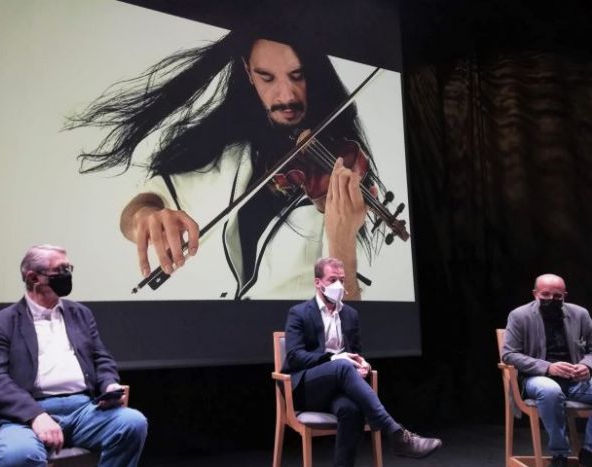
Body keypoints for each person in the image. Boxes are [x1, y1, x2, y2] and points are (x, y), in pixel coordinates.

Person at [69, 30, 399, 300]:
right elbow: (143, 204)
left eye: (297, 76)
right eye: (267, 78)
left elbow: (349, 323)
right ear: (248, 75)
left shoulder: (344, 171)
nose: (285, 95)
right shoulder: (235, 152)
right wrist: (147, 218)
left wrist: (341, 243)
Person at [0, 244, 148, 467]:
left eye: (69, 268)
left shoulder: (80, 314)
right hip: (27, 416)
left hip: (84, 411)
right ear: (33, 277)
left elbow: (101, 358)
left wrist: (109, 385)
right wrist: (35, 415)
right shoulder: (3, 323)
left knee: (132, 423)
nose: (67, 275)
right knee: (17, 456)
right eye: (60, 270)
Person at [282, 257, 442, 466]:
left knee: (352, 410)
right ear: (317, 282)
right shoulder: (299, 313)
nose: (338, 285)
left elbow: (355, 352)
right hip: (308, 389)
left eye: (342, 280)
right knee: (341, 365)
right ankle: (396, 433)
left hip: (338, 388)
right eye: (332, 280)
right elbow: (294, 357)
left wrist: (362, 364)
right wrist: (333, 357)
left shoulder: (350, 315)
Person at [503, 273, 592, 467]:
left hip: (574, 378)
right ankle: (559, 453)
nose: (551, 299)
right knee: (550, 390)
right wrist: (548, 367)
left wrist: (586, 365)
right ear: (535, 294)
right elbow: (509, 354)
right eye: (545, 295)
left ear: (565, 295)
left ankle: (589, 450)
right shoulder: (519, 315)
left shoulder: (580, 314)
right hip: (536, 377)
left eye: (557, 296)